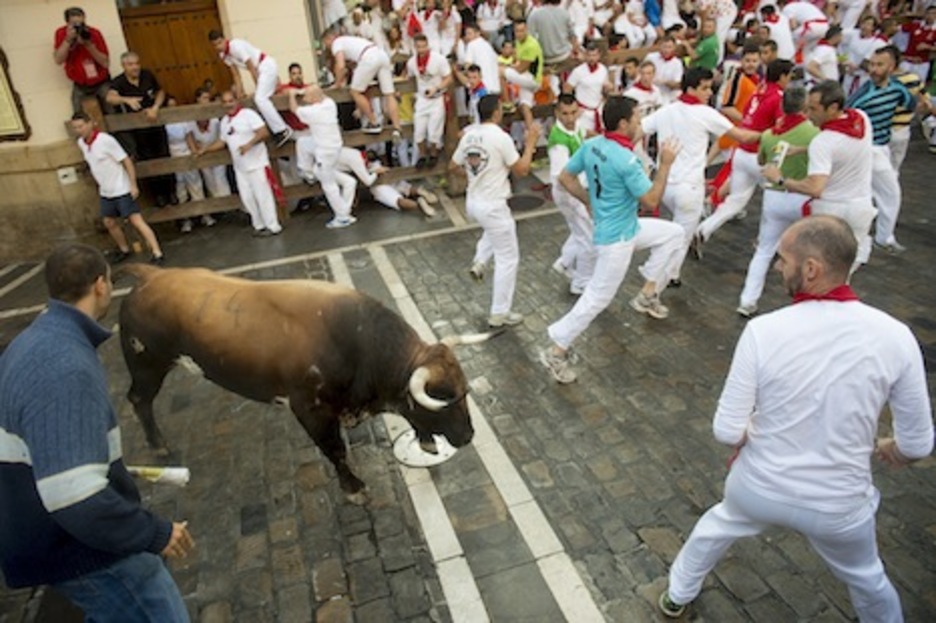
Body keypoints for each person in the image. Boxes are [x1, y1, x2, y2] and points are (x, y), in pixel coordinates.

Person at [658, 215, 934, 620]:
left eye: (782, 258)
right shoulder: (895, 336)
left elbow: (726, 430)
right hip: (839, 503)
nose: (776, 265)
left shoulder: (763, 331)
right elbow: (918, 445)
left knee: (716, 526)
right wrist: (893, 447)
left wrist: (756, 430)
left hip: (759, 488)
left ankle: (677, 594)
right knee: (866, 576)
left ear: (811, 269)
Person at [0, 243, 195, 621]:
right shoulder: (65, 366)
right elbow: (76, 498)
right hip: (83, 550)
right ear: (101, 285)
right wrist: (153, 533)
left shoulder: (32, 342)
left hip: (46, 531)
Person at [539, 95, 685, 384]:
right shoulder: (627, 160)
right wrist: (666, 163)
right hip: (616, 239)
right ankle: (556, 350)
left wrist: (588, 201)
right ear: (622, 123)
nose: (640, 123)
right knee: (596, 299)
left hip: (624, 228)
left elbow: (566, 178)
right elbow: (652, 199)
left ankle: (647, 292)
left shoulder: (593, 145)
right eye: (636, 118)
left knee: (674, 234)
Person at [640, 68, 760, 286]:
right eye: (704, 88)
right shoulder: (705, 113)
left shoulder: (668, 110)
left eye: (709, 87)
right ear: (691, 88)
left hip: (666, 185)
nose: (708, 92)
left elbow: (639, 130)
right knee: (681, 238)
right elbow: (741, 136)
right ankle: (658, 284)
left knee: (676, 234)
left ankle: (669, 275)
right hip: (689, 189)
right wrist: (769, 133)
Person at [762, 80, 876, 271]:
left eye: (813, 109)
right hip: (861, 208)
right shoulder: (862, 120)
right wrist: (802, 149)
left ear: (832, 108)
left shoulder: (822, 142)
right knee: (845, 271)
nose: (807, 115)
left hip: (831, 212)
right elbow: (842, 148)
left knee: (821, 271)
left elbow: (815, 188)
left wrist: (780, 179)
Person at [450, 94, 540, 327]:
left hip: (474, 202)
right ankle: (499, 312)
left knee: (495, 231)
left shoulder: (469, 135)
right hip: (493, 203)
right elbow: (521, 170)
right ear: (497, 112)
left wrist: (474, 175)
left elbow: (452, 166)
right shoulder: (501, 138)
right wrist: (530, 144)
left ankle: (480, 261)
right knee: (508, 257)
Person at [737, 87, 819, 317]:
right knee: (809, 252)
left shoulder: (770, 134)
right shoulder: (814, 133)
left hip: (774, 195)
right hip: (802, 195)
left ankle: (747, 300)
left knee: (764, 250)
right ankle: (805, 304)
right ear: (804, 106)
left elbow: (761, 159)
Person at [696, 59, 793, 245]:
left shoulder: (758, 92)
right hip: (760, 155)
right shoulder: (779, 97)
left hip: (741, 153)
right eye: (789, 76)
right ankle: (766, 240)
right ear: (782, 76)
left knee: (735, 200)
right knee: (776, 198)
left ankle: (704, 229)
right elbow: (780, 128)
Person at [846, 46, 916, 253]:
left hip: (882, 146)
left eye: (879, 65)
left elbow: (910, 103)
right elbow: (848, 112)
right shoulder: (864, 93)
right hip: (868, 148)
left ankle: (869, 236)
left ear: (892, 67)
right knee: (889, 192)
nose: (874, 69)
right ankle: (882, 238)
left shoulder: (898, 88)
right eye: (872, 64)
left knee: (872, 192)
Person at [70, 112, 165, 264]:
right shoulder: (81, 143)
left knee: (136, 220)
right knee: (109, 221)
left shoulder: (105, 140)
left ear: (90, 124)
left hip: (121, 187)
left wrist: (132, 184)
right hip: (106, 190)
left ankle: (157, 251)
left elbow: (126, 160)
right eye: (75, 127)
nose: (78, 130)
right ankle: (124, 249)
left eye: (81, 126)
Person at [196, 90, 283, 237]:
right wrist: (206, 150)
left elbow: (263, 132)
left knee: (263, 196)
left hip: (257, 163)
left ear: (237, 101)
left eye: (231, 101)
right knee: (247, 198)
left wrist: (249, 144)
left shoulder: (248, 114)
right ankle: (258, 225)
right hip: (240, 167)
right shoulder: (224, 121)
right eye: (225, 102)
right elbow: (222, 141)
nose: (229, 104)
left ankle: (272, 225)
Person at [106, 51, 174, 208]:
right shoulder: (119, 81)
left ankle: (171, 193)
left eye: (137, 63)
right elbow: (110, 97)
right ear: (124, 66)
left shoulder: (147, 75)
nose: (135, 67)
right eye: (131, 65)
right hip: (138, 131)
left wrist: (155, 107)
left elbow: (160, 92)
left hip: (155, 124)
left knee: (164, 156)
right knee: (147, 160)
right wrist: (126, 100)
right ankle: (158, 196)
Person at [209, 30, 293, 147]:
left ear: (224, 39)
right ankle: (277, 129)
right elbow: (236, 75)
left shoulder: (236, 46)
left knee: (260, 99)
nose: (218, 47)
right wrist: (239, 94)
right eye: (215, 45)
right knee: (263, 99)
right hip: (260, 70)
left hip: (265, 65)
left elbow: (251, 67)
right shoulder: (223, 55)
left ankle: (283, 129)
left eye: (219, 43)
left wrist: (258, 87)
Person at [290, 86, 358, 229]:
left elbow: (294, 109)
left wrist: (291, 95)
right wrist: (304, 91)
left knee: (329, 185)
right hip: (332, 147)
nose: (304, 99)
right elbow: (319, 94)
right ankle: (307, 171)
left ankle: (342, 217)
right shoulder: (329, 103)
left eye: (307, 97)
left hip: (325, 152)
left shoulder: (315, 111)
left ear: (314, 98)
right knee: (302, 142)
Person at [548, 95, 595, 296]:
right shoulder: (558, 141)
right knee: (589, 238)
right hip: (569, 193)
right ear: (557, 113)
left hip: (576, 189)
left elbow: (586, 133)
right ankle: (581, 283)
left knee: (579, 231)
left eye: (574, 112)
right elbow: (563, 178)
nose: (570, 118)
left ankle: (565, 262)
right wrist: (586, 200)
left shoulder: (575, 127)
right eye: (565, 114)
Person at [322, 27, 404, 139]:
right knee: (389, 94)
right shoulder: (350, 40)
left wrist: (337, 83)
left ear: (329, 39)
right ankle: (397, 127)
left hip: (368, 58)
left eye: (325, 43)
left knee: (355, 92)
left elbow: (340, 66)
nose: (327, 47)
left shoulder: (337, 43)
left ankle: (373, 122)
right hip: (381, 54)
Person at [406, 34, 453, 169]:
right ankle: (422, 155)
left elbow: (448, 78)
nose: (421, 49)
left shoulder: (438, 59)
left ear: (428, 45)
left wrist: (437, 88)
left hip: (437, 98)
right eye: (418, 47)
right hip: (422, 98)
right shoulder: (411, 62)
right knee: (419, 132)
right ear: (415, 47)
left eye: (423, 46)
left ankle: (433, 154)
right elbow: (408, 77)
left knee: (434, 132)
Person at [53, 6, 111, 114]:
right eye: (75, 25)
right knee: (79, 115)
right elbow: (58, 60)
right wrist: (68, 40)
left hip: (101, 81)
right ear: (67, 23)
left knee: (111, 110)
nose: (79, 28)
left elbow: (105, 62)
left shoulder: (94, 33)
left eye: (81, 24)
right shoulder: (61, 33)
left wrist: (89, 45)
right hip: (80, 83)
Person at [187, 87, 232, 200]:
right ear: (198, 99)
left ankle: (228, 206)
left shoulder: (215, 119)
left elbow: (220, 138)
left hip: (216, 150)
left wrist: (208, 149)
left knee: (221, 179)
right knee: (209, 181)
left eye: (208, 98)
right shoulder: (191, 119)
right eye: (204, 98)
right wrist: (195, 150)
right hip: (202, 153)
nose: (207, 101)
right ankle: (219, 210)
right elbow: (190, 136)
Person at [565, 41, 614, 135]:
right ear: (585, 55)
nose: (592, 58)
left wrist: (608, 88)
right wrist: (573, 109)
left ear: (599, 55)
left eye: (594, 55)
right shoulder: (578, 71)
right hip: (583, 111)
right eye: (589, 55)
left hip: (598, 109)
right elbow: (567, 90)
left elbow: (603, 90)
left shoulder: (603, 69)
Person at [528, 0, 580, 64]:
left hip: (544, 59)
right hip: (564, 57)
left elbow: (530, 39)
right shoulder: (564, 13)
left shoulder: (534, 14)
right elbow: (573, 37)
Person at [899, 6, 936, 84]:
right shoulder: (915, 24)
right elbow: (898, 29)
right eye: (928, 13)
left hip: (922, 63)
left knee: (917, 88)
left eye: (933, 14)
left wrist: (927, 46)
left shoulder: (934, 30)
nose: (930, 16)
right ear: (925, 14)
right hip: (907, 61)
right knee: (900, 84)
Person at [644, 36, 685, 104]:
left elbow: (677, 84)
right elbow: (642, 72)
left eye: (669, 47)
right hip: (650, 91)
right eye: (664, 47)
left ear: (674, 48)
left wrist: (665, 82)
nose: (666, 50)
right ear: (660, 46)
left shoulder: (677, 63)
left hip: (667, 94)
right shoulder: (651, 57)